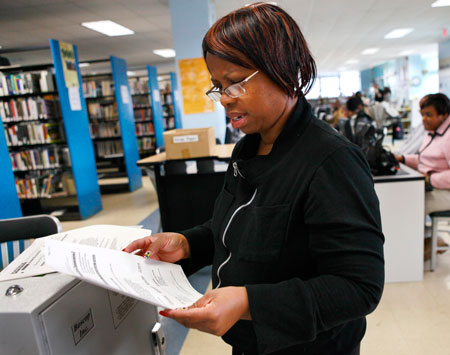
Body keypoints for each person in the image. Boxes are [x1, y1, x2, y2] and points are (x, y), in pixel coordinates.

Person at [124, 3, 384, 354]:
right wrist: (187, 243)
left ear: (285, 70)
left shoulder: (332, 160)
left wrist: (248, 303)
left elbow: (358, 287)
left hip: (308, 346)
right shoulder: (248, 148)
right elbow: (238, 225)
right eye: (218, 86)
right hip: (251, 341)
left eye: (234, 83)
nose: (224, 100)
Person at [394, 93, 450, 215]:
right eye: (422, 115)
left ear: (444, 115)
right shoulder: (433, 131)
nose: (424, 119)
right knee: (398, 194)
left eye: (429, 115)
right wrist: (403, 159)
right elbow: (425, 159)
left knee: (405, 203)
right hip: (431, 187)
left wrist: (430, 179)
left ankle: (417, 233)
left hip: (445, 191)